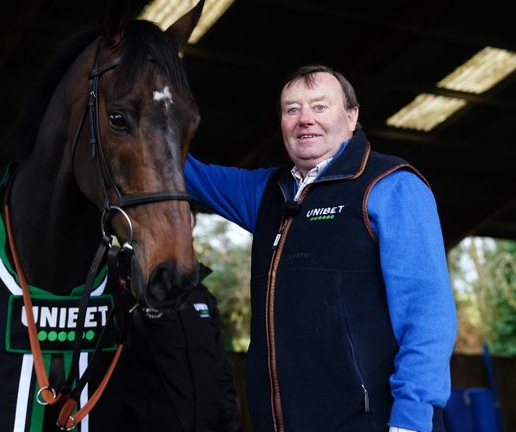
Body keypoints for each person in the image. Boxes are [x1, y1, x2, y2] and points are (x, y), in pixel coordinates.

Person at [184, 64, 457, 432]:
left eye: (319, 106)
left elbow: (428, 315)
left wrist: (411, 417)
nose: (304, 120)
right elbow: (178, 169)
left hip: (374, 424)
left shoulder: (390, 186)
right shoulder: (267, 193)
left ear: (352, 115)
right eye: (291, 110)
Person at [118, 262, 243, 432]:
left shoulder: (204, 296)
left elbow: (222, 374)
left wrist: (232, 426)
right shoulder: (134, 293)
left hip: (208, 426)